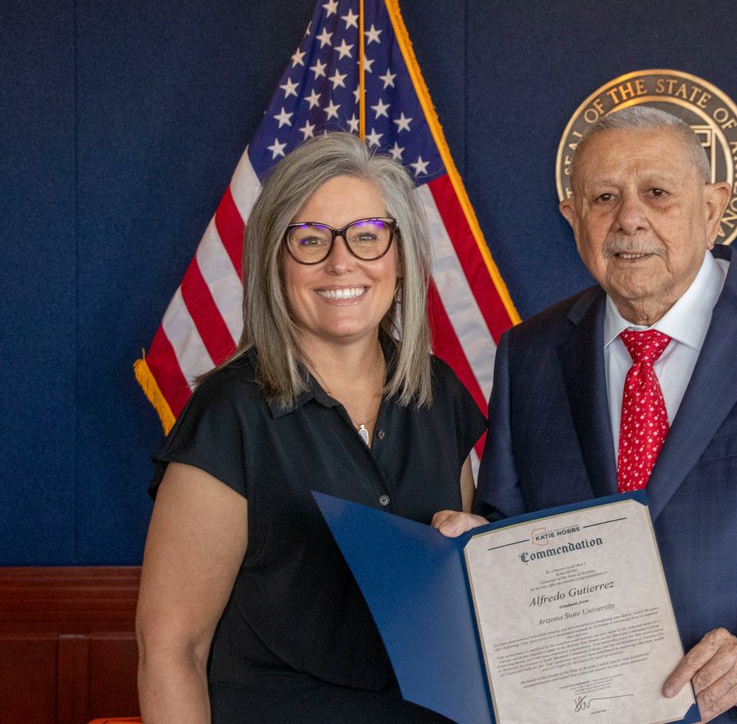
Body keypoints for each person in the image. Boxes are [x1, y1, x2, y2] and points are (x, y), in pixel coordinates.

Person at [440, 107, 737, 723]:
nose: (629, 219)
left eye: (657, 192)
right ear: (572, 216)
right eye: (604, 197)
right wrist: (473, 549)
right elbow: (510, 534)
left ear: (713, 205)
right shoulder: (529, 353)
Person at [136, 133, 482, 724]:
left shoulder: (437, 393)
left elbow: (453, 604)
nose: (341, 261)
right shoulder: (231, 414)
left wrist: (476, 555)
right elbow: (172, 650)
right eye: (310, 240)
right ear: (275, 260)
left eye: (367, 237)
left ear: (399, 258)